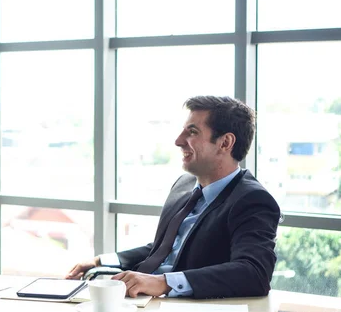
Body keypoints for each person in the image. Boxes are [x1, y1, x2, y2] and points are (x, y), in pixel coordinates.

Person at [67, 96, 280, 299]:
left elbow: (254, 273)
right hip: (140, 299)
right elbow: (162, 249)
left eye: (192, 132)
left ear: (225, 143)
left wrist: (163, 282)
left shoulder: (253, 200)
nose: (179, 141)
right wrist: (101, 261)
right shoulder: (184, 185)